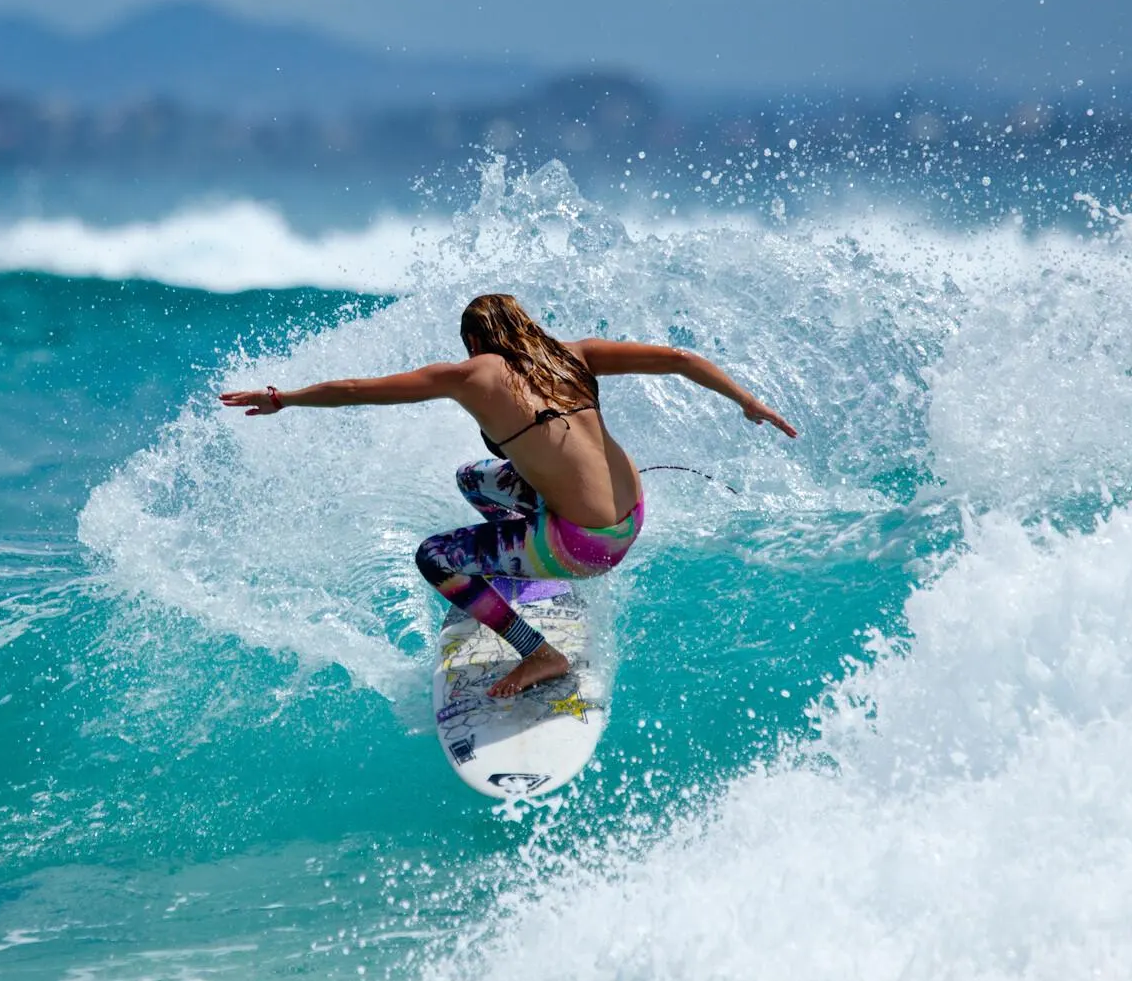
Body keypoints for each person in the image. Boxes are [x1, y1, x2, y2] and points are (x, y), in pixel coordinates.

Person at [220, 293, 798, 698]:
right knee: (474, 478)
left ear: (474, 340)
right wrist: (746, 401)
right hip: (630, 518)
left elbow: (355, 390)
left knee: (436, 558)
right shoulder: (575, 354)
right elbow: (679, 359)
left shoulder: (473, 374)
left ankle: (539, 651)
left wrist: (284, 397)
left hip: (585, 546)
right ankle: (522, 567)